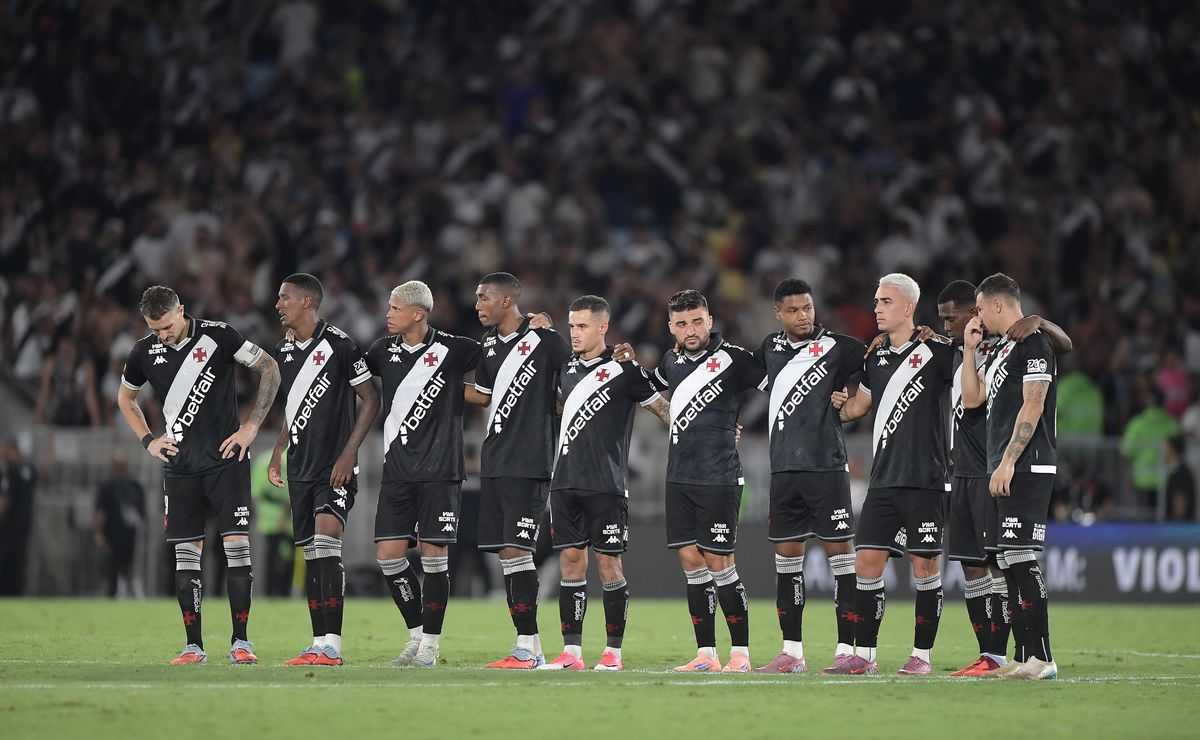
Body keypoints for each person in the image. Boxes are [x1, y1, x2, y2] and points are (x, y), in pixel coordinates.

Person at [117, 285, 280, 665]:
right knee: (186, 556)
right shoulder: (143, 352)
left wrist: (252, 426)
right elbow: (126, 398)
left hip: (227, 462)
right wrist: (148, 440)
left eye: (168, 326)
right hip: (181, 469)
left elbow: (269, 367)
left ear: (182, 311)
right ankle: (194, 646)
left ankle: (241, 642)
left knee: (237, 549)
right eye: (155, 329)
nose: (163, 335)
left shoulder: (219, 335)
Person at [934, 280, 1072, 677]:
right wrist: (971, 348)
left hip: (1028, 462)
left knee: (1021, 556)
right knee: (1008, 559)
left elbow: (1033, 403)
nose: (977, 315)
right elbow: (974, 399)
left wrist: (1010, 460)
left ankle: (1043, 656)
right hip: (1002, 463)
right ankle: (1024, 656)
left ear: (997, 304)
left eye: (980, 307)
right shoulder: (1004, 348)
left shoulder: (1034, 343)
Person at [824, 273, 955, 676]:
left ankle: (922, 657)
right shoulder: (875, 356)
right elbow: (859, 407)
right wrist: (838, 406)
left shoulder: (941, 352)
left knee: (925, 568)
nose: (876, 308)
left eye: (885, 301)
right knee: (866, 564)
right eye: (876, 300)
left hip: (926, 478)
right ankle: (864, 655)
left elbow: (972, 391)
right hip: (883, 479)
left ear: (908, 308)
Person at [539, 295, 669, 672]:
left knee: (609, 566)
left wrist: (710, 428)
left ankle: (613, 653)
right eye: (572, 326)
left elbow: (664, 410)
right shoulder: (565, 368)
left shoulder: (625, 369)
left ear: (602, 328)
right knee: (570, 563)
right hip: (564, 482)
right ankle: (572, 654)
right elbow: (562, 408)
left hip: (607, 484)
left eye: (582, 326)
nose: (574, 333)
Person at [364, 280, 483, 669]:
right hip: (397, 470)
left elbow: (498, 362)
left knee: (434, 554)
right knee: (388, 555)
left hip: (440, 471)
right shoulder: (381, 351)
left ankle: (430, 644)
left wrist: (534, 328)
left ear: (418, 313)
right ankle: (416, 635)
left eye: (394, 309)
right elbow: (356, 381)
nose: (388, 315)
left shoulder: (455, 349)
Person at [751, 279, 865, 674]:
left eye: (808, 308)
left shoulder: (840, 347)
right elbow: (735, 374)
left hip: (827, 467)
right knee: (787, 561)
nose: (803, 316)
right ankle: (792, 652)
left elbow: (882, 362)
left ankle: (847, 650)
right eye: (794, 310)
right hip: (784, 471)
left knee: (841, 559)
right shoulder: (769, 348)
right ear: (778, 313)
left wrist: (849, 392)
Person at [650, 289, 766, 673]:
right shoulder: (669, 362)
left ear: (710, 320)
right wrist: (677, 419)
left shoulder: (734, 359)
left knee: (720, 562)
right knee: (690, 560)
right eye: (682, 323)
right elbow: (650, 395)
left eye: (697, 320)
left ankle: (741, 655)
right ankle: (706, 655)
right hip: (679, 476)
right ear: (671, 327)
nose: (691, 329)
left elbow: (776, 384)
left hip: (719, 477)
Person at [269, 274, 379, 667]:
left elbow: (370, 399)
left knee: (327, 539)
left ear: (307, 302)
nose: (278, 303)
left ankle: (332, 643)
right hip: (300, 465)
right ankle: (318, 643)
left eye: (285, 297)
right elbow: (292, 406)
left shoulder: (339, 344)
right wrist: (278, 449)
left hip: (334, 467)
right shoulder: (283, 349)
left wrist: (349, 453)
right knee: (314, 553)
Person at [471, 272, 572, 669]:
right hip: (494, 460)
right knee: (507, 556)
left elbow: (574, 382)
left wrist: (555, 409)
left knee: (517, 550)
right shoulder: (489, 344)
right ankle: (528, 646)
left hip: (531, 461)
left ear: (508, 300)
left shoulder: (546, 341)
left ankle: (528, 647)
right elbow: (483, 397)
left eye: (485, 298)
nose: (478, 304)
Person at [94, 455, 146, 598]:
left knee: (131, 565)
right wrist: (99, 535)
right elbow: (99, 511)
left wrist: (146, 528)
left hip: (131, 534)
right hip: (112, 533)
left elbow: (142, 511)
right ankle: (114, 593)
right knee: (112, 566)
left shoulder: (135, 486)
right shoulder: (107, 487)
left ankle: (132, 591)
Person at [251, 449, 293, 597]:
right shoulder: (294, 457)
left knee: (272, 558)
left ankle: (270, 592)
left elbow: (257, 491)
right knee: (287, 560)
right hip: (288, 520)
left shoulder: (263, 459)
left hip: (272, 519)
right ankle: (283, 593)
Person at [0, 437, 36, 595]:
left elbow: (5, 502)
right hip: (24, 528)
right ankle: (17, 593)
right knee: (18, 563)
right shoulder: (28, 468)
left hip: (9, 529)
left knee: (6, 563)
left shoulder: (11, 472)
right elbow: (46, 468)